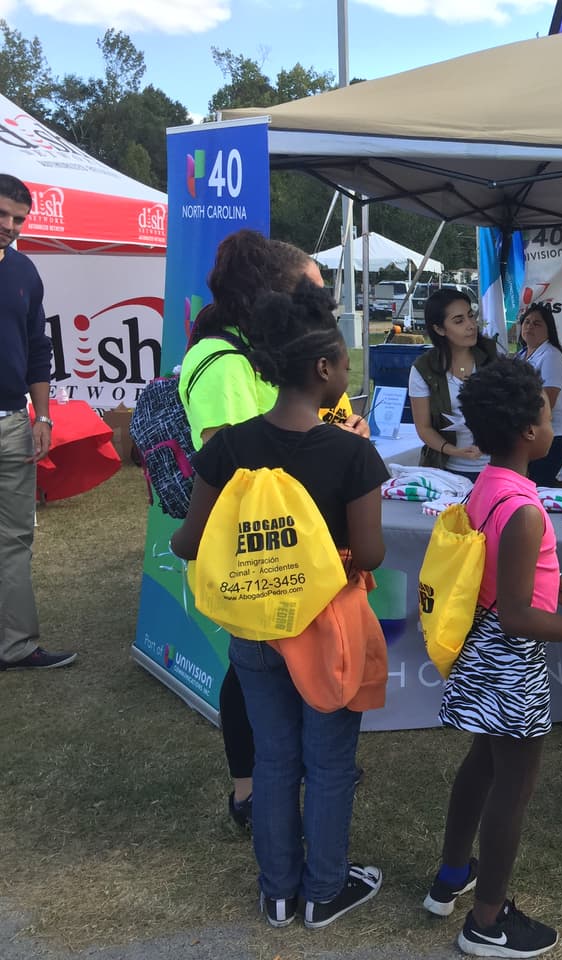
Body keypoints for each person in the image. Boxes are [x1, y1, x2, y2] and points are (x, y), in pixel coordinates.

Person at [171, 282, 389, 931]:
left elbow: (188, 540)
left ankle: (276, 893)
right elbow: (371, 554)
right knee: (328, 761)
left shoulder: (230, 445)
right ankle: (324, 890)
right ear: (322, 370)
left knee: (273, 758)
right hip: (329, 635)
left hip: (257, 630)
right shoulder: (353, 452)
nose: (347, 373)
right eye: (345, 363)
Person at [422, 356, 562, 957]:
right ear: (530, 432)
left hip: (480, 646)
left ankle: (450, 877)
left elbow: (504, 578)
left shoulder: (491, 487)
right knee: (514, 785)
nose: (553, 420)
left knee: (483, 763)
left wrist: (559, 586)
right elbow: (519, 616)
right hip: (508, 658)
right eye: (547, 412)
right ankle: (487, 922)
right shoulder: (524, 509)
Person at [180, 229, 368, 831]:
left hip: (297, 549)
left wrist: (336, 426)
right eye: (312, 288)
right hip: (262, 551)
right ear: (274, 294)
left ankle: (286, 775)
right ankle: (251, 789)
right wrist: (337, 451)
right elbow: (235, 461)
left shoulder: (266, 357)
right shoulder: (222, 363)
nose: (323, 301)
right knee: (251, 665)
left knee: (282, 659)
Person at [0, 174, 75, 671]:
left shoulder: (25, 271)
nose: (9, 226)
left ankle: (16, 646)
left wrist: (42, 414)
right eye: (2, 215)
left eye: (18, 220)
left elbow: (37, 349)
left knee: (14, 539)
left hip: (12, 425)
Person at [409, 288, 500, 479]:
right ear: (439, 329)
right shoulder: (423, 369)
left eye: (471, 316)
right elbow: (423, 428)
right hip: (446, 471)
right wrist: (453, 451)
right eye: (459, 321)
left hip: (497, 466)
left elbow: (514, 411)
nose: (471, 325)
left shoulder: (493, 358)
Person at [516, 303, 562, 486]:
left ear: (548, 330)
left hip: (551, 437)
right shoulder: (521, 355)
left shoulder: (552, 355)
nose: (530, 326)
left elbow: (547, 402)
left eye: (537, 324)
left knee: (540, 486)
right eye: (527, 322)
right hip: (526, 434)